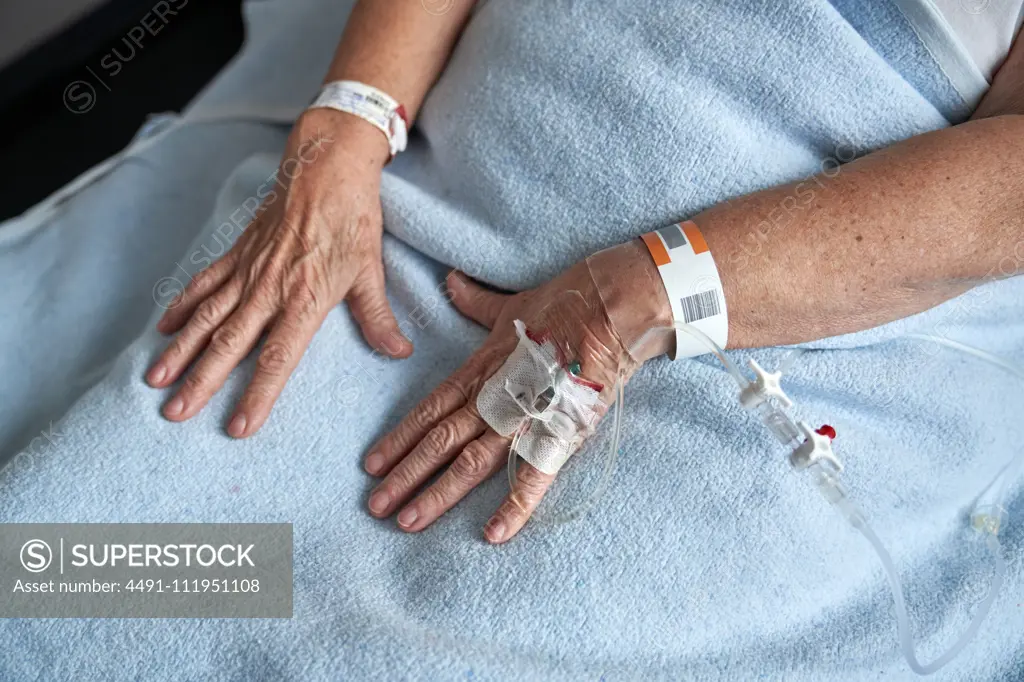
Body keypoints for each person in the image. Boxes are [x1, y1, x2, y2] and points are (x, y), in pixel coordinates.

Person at [144, 0, 1024, 543]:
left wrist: (641, 298)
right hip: (421, 181)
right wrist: (351, 121)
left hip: (777, 283)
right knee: (131, 507)